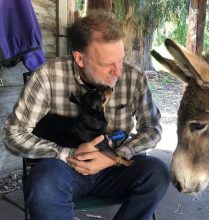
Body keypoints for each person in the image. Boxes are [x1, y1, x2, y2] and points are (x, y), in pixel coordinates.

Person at [2, 11, 170, 220]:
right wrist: (67, 154)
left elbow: (152, 129)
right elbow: (13, 135)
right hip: (65, 168)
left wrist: (117, 157)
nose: (118, 72)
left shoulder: (133, 77)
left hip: (115, 168)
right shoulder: (47, 77)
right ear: (80, 58)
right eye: (107, 64)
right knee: (43, 184)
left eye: (121, 60)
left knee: (158, 173)